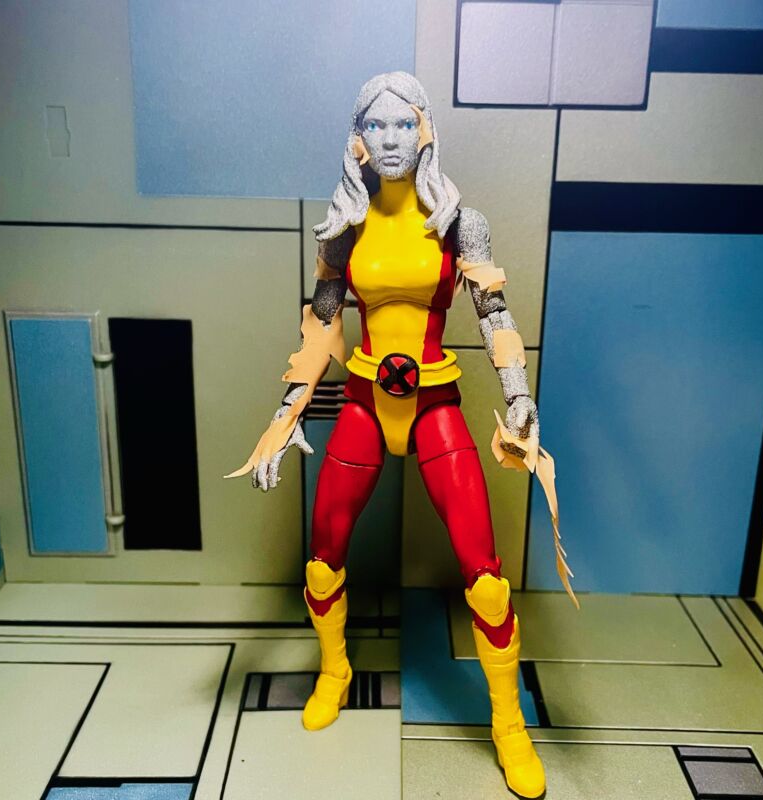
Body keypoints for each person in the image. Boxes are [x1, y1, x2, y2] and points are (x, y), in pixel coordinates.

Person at [228, 71, 546, 799]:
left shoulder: (460, 221)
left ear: (426, 130)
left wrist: (519, 393)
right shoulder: (344, 225)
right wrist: (286, 413)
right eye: (378, 125)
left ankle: (508, 724)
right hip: (366, 405)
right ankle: (335, 670)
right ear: (358, 140)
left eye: (405, 124)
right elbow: (320, 325)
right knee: (322, 559)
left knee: (486, 578)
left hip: (434, 405)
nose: (393, 139)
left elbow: (494, 313)